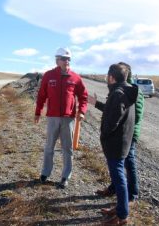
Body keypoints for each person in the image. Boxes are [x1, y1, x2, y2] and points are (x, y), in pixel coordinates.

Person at [90, 62, 144, 205]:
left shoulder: (128, 91)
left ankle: (131, 196)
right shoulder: (123, 90)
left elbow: (130, 116)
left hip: (127, 135)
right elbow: (114, 111)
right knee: (117, 167)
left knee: (127, 164)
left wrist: (106, 133)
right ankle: (116, 193)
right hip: (121, 134)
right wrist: (96, 104)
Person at [35, 47, 88, 189]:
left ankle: (65, 176)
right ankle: (45, 173)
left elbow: (83, 97)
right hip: (52, 117)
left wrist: (81, 111)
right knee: (49, 147)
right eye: (64, 59)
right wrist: (37, 112)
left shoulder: (75, 78)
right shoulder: (48, 75)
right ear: (57, 60)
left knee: (67, 149)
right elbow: (41, 95)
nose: (67, 61)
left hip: (68, 119)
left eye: (69, 59)